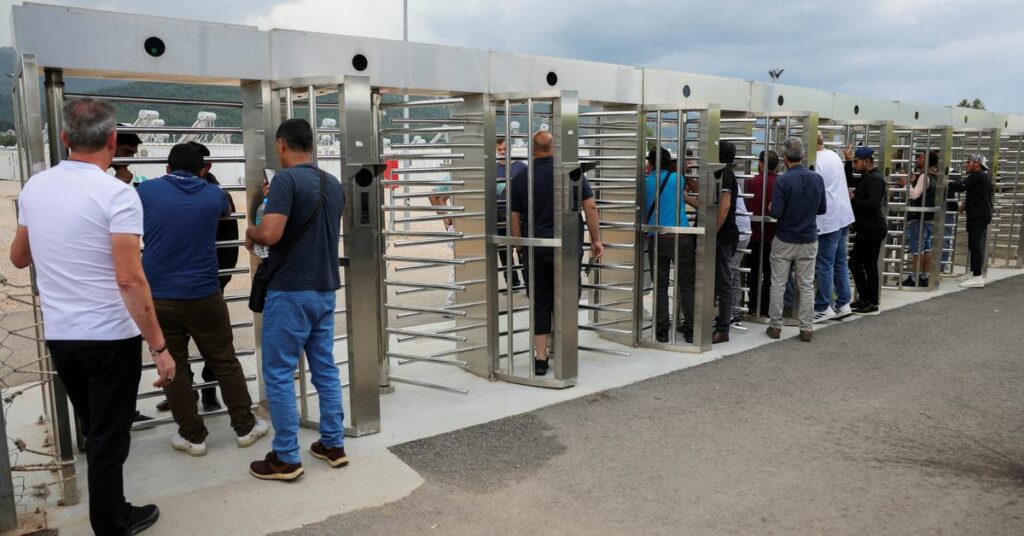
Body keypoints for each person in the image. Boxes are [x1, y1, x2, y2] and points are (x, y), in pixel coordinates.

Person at [9, 98, 173, 534]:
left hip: (61, 336)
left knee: (96, 429)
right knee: (109, 436)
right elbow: (130, 280)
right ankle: (110, 523)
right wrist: (159, 347)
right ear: (113, 141)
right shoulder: (117, 194)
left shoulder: (34, 188)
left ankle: (114, 506)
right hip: (109, 337)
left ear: (64, 138)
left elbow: (19, 257)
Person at [137, 142, 268, 457]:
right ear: (205, 169)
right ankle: (245, 428)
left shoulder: (146, 191)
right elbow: (224, 214)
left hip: (159, 295)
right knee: (224, 360)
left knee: (174, 367)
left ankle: (193, 437)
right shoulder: (215, 196)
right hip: (204, 293)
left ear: (166, 169)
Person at [245, 118, 347, 480]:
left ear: (282, 146)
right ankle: (333, 444)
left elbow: (270, 234)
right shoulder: (333, 183)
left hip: (289, 292)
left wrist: (250, 229)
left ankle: (286, 456)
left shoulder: (286, 181)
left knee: (279, 373)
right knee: (325, 368)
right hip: (325, 289)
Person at [509, 130, 604, 376]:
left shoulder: (521, 178)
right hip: (568, 248)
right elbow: (590, 207)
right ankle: (565, 352)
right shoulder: (571, 174)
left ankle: (541, 358)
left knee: (540, 302)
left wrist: (519, 245)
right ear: (554, 148)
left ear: (533, 149)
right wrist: (596, 240)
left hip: (536, 248)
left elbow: (514, 217)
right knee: (567, 298)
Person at [154, 141, 235, 413]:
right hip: (192, 285)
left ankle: (208, 390)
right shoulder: (216, 196)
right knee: (198, 348)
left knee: (211, 349)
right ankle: (186, 393)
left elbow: (228, 241)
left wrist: (222, 279)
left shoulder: (217, 195)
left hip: (203, 282)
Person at [766, 137, 826, 342]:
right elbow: (822, 209)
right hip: (809, 238)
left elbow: (777, 213)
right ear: (802, 156)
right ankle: (806, 329)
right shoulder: (817, 179)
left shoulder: (782, 181)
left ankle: (775, 326)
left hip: (784, 238)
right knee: (807, 285)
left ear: (784, 158)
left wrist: (772, 207)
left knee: (778, 284)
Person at [643, 147, 695, 343]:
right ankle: (690, 329)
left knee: (661, 286)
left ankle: (662, 331)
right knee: (687, 285)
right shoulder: (678, 179)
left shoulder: (645, 182)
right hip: (681, 237)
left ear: (651, 163)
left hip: (657, 238)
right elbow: (691, 187)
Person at [812, 131, 856, 322]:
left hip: (827, 219)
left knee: (824, 264)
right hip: (843, 215)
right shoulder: (833, 155)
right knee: (840, 262)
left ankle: (823, 306)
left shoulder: (815, 162)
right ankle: (843, 303)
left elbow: (814, 190)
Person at [844, 146, 887, 315]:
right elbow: (847, 181)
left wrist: (854, 199)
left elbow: (874, 204)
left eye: (856, 161)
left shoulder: (874, 179)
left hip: (873, 228)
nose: (855, 164)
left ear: (867, 161)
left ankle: (871, 302)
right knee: (859, 263)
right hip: (867, 228)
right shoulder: (866, 176)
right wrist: (847, 160)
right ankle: (865, 299)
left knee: (865, 265)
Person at [710, 140, 740, 343]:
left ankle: (723, 329)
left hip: (723, 237)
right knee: (717, 282)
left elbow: (725, 206)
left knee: (723, 283)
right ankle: (717, 323)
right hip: (723, 236)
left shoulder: (726, 175)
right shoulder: (722, 174)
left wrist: (713, 232)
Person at [948, 154, 993, 288]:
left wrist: (946, 181)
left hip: (979, 216)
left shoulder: (978, 175)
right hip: (977, 214)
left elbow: (962, 186)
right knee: (973, 245)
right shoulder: (981, 176)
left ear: (977, 164)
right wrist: (966, 205)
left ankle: (977, 277)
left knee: (975, 245)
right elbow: (978, 193)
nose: (966, 165)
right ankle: (973, 272)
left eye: (969, 162)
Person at [746, 150, 780, 316]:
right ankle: (765, 308)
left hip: (753, 234)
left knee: (752, 272)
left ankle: (752, 306)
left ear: (760, 163)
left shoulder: (751, 181)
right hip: (773, 236)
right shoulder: (780, 182)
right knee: (769, 275)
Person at [902, 151, 939, 288]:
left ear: (927, 160)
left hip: (920, 217)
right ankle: (924, 277)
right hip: (930, 217)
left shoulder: (924, 176)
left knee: (917, 248)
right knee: (927, 248)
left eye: (920, 157)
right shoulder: (934, 175)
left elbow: (914, 195)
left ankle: (914, 278)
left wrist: (906, 184)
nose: (917, 159)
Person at [496, 137, 526, 289]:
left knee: (522, 246)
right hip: (499, 214)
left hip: (519, 213)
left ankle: (528, 279)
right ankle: (512, 283)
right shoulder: (492, 168)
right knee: (504, 250)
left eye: (505, 149)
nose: (502, 152)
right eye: (499, 149)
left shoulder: (522, 167)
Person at [730, 181, 752, 326]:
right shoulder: (731, 181)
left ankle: (729, 314)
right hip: (741, 230)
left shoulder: (725, 180)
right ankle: (735, 311)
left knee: (728, 271)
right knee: (734, 271)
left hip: (739, 232)